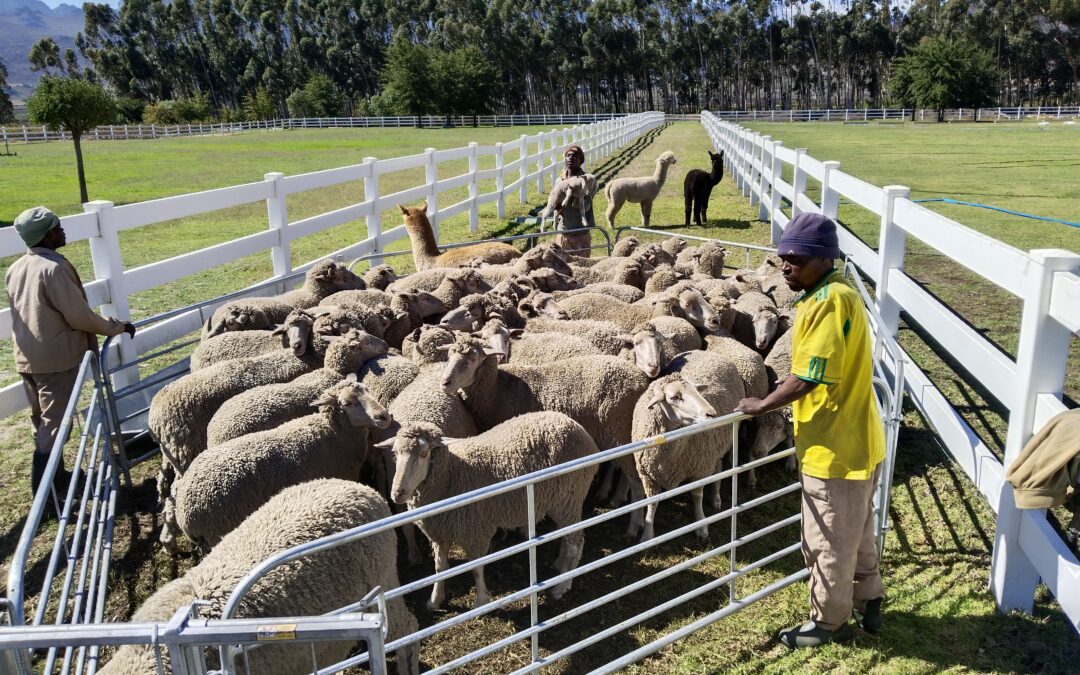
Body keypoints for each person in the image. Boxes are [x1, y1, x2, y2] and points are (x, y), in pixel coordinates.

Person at [734, 212, 886, 648]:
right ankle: (869, 596)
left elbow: (809, 377)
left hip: (835, 446)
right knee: (857, 531)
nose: (785, 266)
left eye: (796, 259)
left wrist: (762, 404)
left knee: (828, 539)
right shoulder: (840, 293)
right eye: (782, 257)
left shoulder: (825, 302)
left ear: (823, 259)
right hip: (858, 438)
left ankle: (827, 621)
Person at [6, 206, 135, 497]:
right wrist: (115, 327)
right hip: (55, 359)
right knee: (54, 426)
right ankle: (46, 493)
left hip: (27, 357)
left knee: (40, 422)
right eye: (57, 226)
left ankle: (58, 479)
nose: (62, 230)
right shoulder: (54, 268)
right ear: (47, 234)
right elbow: (78, 316)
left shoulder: (15, 269)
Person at [549, 144, 597, 257]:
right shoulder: (559, 181)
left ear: (581, 160)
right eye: (568, 155)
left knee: (582, 268)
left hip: (581, 233)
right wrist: (556, 205)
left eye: (575, 156)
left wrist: (572, 191)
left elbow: (585, 204)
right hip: (564, 232)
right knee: (563, 268)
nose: (571, 158)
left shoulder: (589, 180)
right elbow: (555, 204)